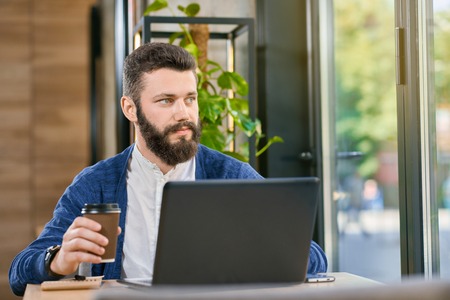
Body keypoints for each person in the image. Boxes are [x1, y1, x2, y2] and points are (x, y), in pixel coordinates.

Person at [9, 42, 328, 296]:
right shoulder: (96, 184)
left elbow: (316, 259)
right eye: (166, 100)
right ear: (130, 108)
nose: (184, 113)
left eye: (190, 99)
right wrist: (58, 260)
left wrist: (273, 248)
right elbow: (19, 274)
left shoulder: (231, 176)